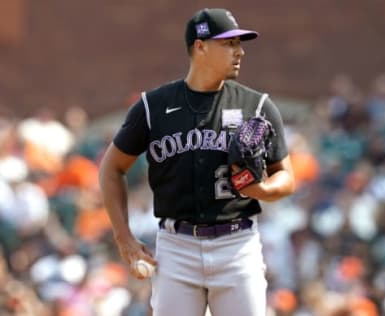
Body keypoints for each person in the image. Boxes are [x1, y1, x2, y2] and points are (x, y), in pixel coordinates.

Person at [99, 7, 295, 316]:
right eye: (229, 43)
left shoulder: (256, 105)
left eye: (239, 44)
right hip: (177, 247)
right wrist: (123, 236)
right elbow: (112, 168)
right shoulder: (153, 106)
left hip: (237, 244)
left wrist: (263, 190)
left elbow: (286, 176)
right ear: (200, 46)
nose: (239, 52)